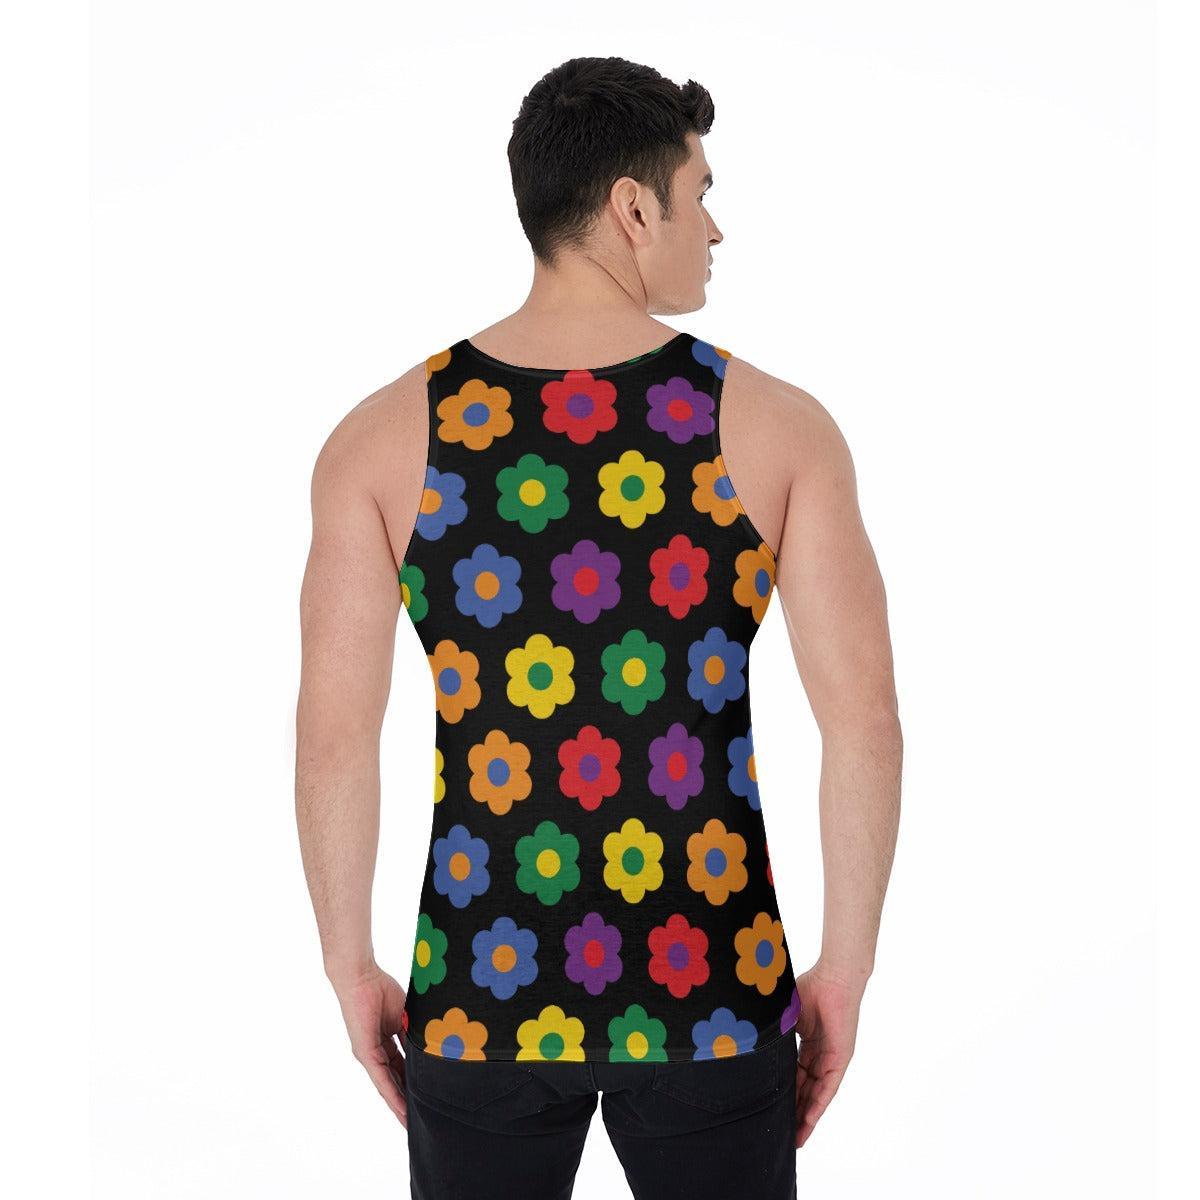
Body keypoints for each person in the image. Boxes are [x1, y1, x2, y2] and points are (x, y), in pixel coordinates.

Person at [295, 55, 902, 1200]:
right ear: (633, 206)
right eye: (700, 192)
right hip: (712, 977)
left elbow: (333, 736)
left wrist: (348, 963)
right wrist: (846, 969)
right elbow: (863, 722)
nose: (714, 229)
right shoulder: (775, 426)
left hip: (481, 979)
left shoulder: (381, 438)